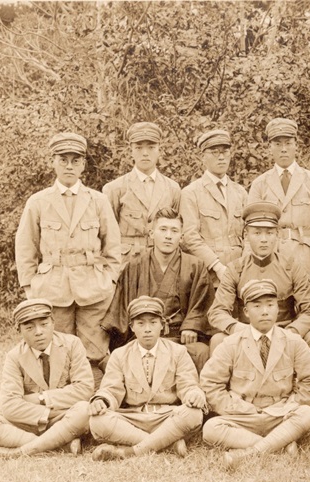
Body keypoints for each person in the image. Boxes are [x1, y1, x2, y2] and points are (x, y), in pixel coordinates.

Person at [15, 132, 122, 388]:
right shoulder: (38, 202)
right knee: (57, 350)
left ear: (83, 164)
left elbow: (113, 245)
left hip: (93, 288)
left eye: (75, 160)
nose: (69, 166)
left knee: (94, 351)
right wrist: (30, 288)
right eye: (63, 160)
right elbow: (26, 247)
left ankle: (94, 400)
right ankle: (61, 400)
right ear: (53, 162)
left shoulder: (97, 200)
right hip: (52, 288)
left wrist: (109, 280)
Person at [199, 279, 310, 469]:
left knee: (307, 414)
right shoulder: (232, 343)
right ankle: (280, 445)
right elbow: (210, 383)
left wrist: (294, 403)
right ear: (246, 311)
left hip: (280, 414)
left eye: (270, 305)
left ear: (277, 308)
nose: (265, 311)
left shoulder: (293, 341)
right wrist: (234, 407)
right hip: (244, 415)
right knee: (210, 428)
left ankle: (248, 453)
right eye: (257, 306)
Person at [0, 299, 93, 459]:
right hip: (30, 422)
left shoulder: (72, 344)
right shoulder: (14, 356)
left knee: (84, 409)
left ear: (53, 323)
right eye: (29, 327)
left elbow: (84, 389)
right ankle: (57, 446)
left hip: (65, 417)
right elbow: (9, 406)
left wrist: (41, 398)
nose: (38, 332)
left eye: (44, 324)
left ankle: (17, 453)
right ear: (19, 330)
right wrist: (46, 414)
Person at [89, 296, 207, 460]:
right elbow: (111, 389)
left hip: (166, 417)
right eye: (140, 323)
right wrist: (102, 400)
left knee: (193, 413)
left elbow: (188, 384)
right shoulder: (120, 355)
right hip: (134, 418)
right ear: (132, 327)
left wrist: (194, 394)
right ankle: (167, 444)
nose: (147, 329)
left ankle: (130, 452)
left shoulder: (178, 351)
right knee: (98, 421)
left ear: (162, 325)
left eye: (153, 322)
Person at [102, 208, 215, 372]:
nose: (168, 236)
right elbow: (121, 309)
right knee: (117, 358)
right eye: (163, 229)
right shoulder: (134, 266)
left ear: (181, 237)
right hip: (144, 336)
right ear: (151, 234)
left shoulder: (195, 266)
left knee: (201, 351)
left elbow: (202, 303)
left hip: (179, 337)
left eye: (174, 231)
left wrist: (192, 326)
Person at [208, 201, 310, 359]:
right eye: (257, 233)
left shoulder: (291, 267)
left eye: (269, 233)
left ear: (277, 235)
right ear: (246, 235)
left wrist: (292, 331)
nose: (264, 239)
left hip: (284, 331)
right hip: (247, 335)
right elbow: (217, 311)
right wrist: (238, 329)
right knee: (218, 340)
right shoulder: (235, 269)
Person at [248, 118, 310, 298]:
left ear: (296, 145)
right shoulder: (260, 184)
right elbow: (250, 230)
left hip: (307, 259)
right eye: (278, 144)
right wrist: (252, 266)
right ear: (270, 147)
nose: (283, 149)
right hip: (271, 260)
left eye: (288, 143)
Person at [103, 122, 182, 266]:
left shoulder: (172, 188)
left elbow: (178, 230)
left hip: (163, 262)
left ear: (159, 150)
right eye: (139, 148)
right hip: (127, 263)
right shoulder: (115, 188)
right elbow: (107, 235)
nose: (145, 153)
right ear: (131, 151)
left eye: (151, 147)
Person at [180, 129, 248, 287]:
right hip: (207, 276)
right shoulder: (191, 193)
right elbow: (190, 237)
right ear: (203, 157)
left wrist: (244, 266)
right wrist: (218, 267)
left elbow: (249, 233)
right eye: (215, 152)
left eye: (225, 151)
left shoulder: (240, 192)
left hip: (241, 275)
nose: (221, 157)